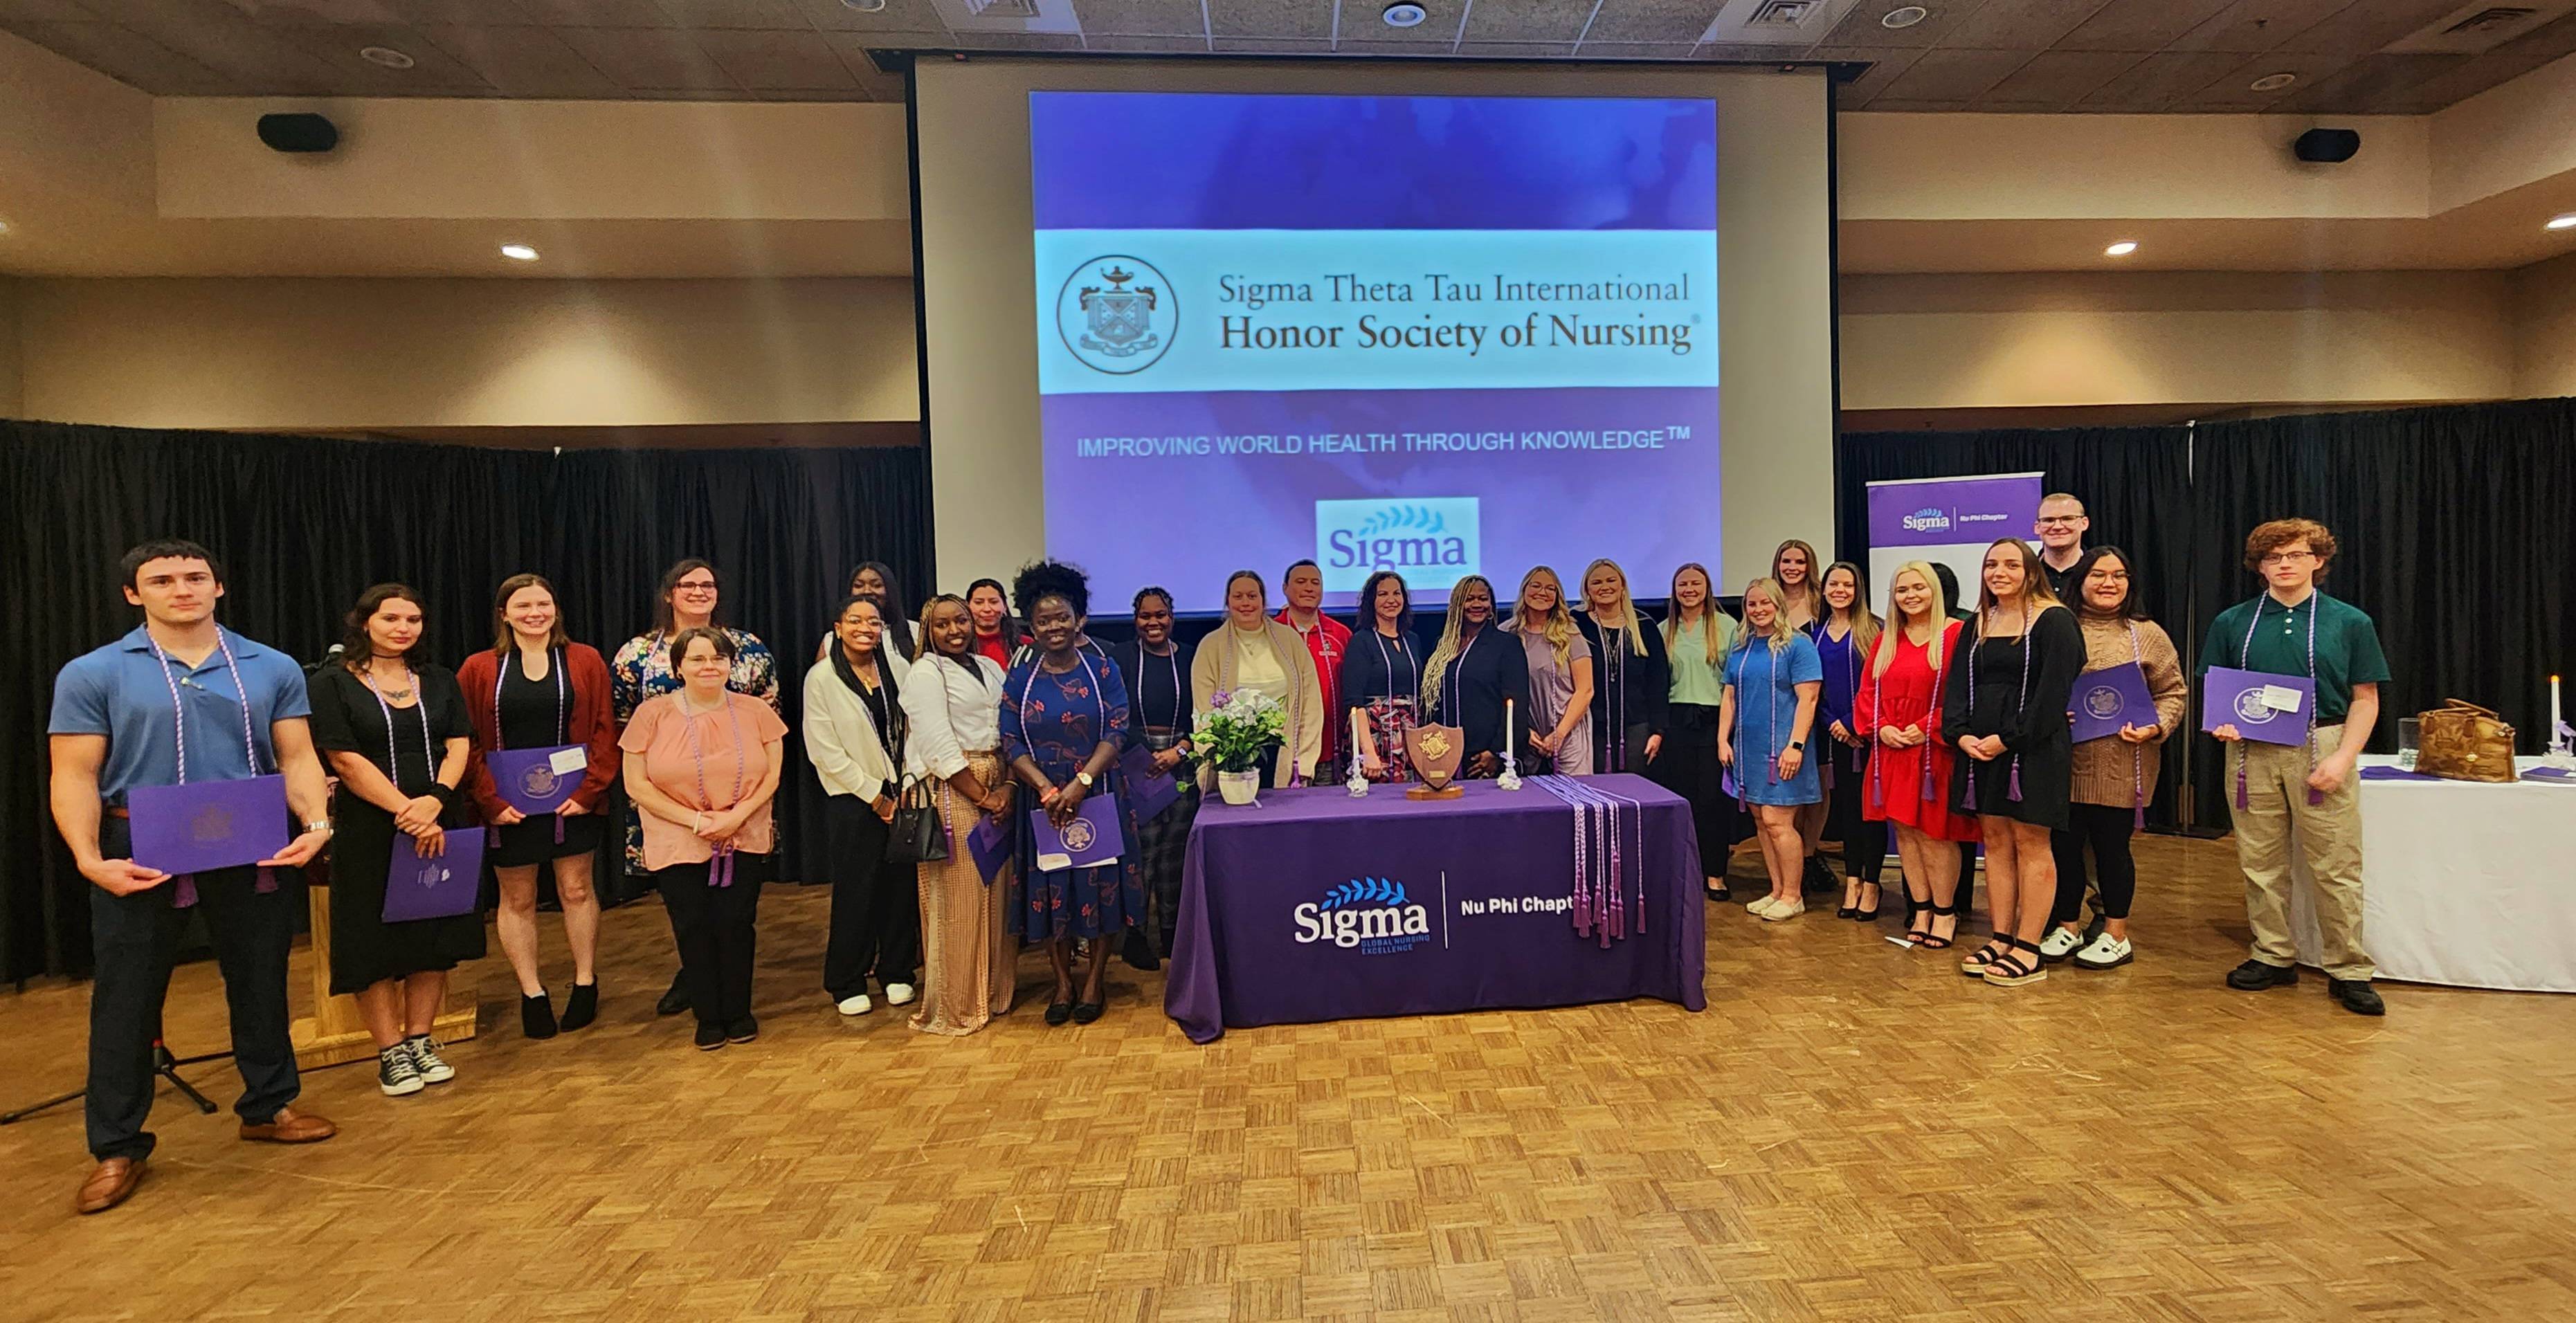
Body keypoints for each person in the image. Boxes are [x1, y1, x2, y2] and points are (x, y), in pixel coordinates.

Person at [48, 540, 338, 1215]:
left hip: (252, 838)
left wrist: (317, 824)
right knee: (127, 997)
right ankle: (117, 1146)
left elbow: (297, 756)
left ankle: (269, 1105)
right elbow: (74, 773)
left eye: (195, 577)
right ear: (134, 594)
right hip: (140, 843)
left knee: (260, 977)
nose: (182, 589)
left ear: (219, 587)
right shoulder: (92, 673)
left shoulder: (271, 665)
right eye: (162, 580)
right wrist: (88, 857)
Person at [2203, 518, 2389, 1016]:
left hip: (2323, 741)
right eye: (2273, 557)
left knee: (2336, 862)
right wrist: (2223, 724)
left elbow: (2366, 699)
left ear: (2318, 560)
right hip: (2251, 748)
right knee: (2259, 859)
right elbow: (2218, 691)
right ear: (2259, 566)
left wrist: (2343, 757)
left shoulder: (2349, 622)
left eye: (2296, 555)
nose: (2284, 564)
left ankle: (2349, 968)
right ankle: (2272, 953)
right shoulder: (2232, 622)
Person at [309, 584, 482, 1097]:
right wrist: (407, 810)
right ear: (365, 622)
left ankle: (421, 1040)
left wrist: (436, 800)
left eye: (413, 619)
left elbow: (459, 743)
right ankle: (390, 1052)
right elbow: (344, 759)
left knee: (432, 935)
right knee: (372, 941)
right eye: (391, 618)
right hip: (372, 827)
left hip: (439, 818)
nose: (403, 628)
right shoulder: (331, 683)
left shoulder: (439, 678)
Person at [610, 558, 781, 1018]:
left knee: (734, 916)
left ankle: (733, 1003)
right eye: (688, 584)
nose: (699, 591)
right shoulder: (636, 655)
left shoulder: (749, 648)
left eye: (708, 584)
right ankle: (700, 991)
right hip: (671, 808)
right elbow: (623, 722)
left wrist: (735, 813)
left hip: (741, 809)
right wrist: (692, 815)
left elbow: (769, 722)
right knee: (691, 915)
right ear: (670, 593)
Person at [457, 574, 620, 1041]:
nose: (535, 613)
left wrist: (589, 792)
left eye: (543, 604)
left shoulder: (584, 659)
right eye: (523, 606)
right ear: (504, 615)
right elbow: (466, 738)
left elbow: (605, 728)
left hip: (574, 800)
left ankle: (585, 981)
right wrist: (489, 801)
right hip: (507, 807)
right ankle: (532, 991)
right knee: (518, 898)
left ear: (556, 610)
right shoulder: (479, 668)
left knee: (577, 890)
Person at [1003, 561, 1147, 1025]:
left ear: (1079, 618)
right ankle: (1062, 983)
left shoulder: (1102, 667)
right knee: (1052, 890)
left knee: (1099, 887)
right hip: (1044, 799)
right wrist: (1046, 788)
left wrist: (1080, 783)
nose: (1054, 627)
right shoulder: (1021, 674)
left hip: (1097, 789)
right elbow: (1009, 738)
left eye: (1062, 617)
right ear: (1032, 625)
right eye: (1043, 620)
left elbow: (1118, 728)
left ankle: (1093, 982)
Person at [1944, 538, 2083, 989]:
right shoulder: (1977, 623)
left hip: (2032, 750)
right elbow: (1958, 686)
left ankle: (2029, 946)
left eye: (2010, 564)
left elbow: (2052, 696)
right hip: (1980, 749)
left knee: (2031, 842)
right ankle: (2001, 937)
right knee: (1996, 842)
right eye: (1991, 565)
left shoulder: (2055, 620)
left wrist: (2008, 739)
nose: (1999, 572)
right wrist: (1960, 733)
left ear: (2030, 571)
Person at [2042, 547, 2187, 971]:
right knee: (2064, 849)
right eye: (2099, 575)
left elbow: (2173, 692)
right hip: (2062, 761)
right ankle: (2067, 927)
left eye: (2119, 575)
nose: (2110, 583)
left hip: (2122, 763)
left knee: (2112, 851)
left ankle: (2115, 934)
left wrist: (2155, 726)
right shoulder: (2056, 625)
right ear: (2080, 580)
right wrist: (2051, 712)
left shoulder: (2147, 634)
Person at [902, 594, 1017, 1035]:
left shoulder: (990, 667)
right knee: (960, 897)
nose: (954, 631)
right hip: (954, 786)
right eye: (943, 624)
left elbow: (1010, 727)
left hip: (998, 777)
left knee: (996, 892)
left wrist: (1007, 785)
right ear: (928, 631)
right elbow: (936, 742)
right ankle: (957, 1005)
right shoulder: (925, 672)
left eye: (962, 621)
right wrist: (982, 795)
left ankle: (993, 994)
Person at [804, 594, 920, 1017]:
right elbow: (825, 750)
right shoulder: (821, 678)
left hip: (903, 792)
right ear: (838, 628)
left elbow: (915, 727)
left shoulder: (898, 668)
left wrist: (906, 782)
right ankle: (847, 980)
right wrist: (874, 796)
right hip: (853, 799)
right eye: (855, 621)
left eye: (873, 622)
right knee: (857, 891)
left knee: (900, 888)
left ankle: (897, 971)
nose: (865, 629)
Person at [1856, 561, 1980, 949]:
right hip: (1892, 750)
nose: (1910, 596)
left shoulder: (1957, 634)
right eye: (1902, 590)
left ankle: (1945, 913)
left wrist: (1929, 725)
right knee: (1906, 835)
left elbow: (1968, 694)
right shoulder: (1886, 639)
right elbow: (1867, 693)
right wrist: (1881, 727)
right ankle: (1922, 909)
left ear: (1935, 591)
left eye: (1918, 588)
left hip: (1933, 754)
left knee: (1935, 836)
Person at [1721, 578, 1823, 920]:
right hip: (1748, 750)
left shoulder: (1799, 645)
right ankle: (1777, 890)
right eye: (1752, 604)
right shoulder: (1742, 648)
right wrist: (1723, 740)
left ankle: (1793, 896)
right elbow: (1729, 697)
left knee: (1778, 822)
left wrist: (1796, 745)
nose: (1758, 609)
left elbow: (1809, 699)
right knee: (1762, 822)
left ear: (1778, 604)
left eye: (1765, 602)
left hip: (1783, 750)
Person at [1111, 587, 1197, 960]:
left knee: (1174, 853)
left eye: (1160, 615)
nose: (1153, 622)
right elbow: (1114, 710)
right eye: (1145, 616)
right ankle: (1135, 936)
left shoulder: (1191, 658)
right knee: (1141, 852)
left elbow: (1204, 712)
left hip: (1182, 759)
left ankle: (1171, 933)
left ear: (1172, 617)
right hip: (1136, 762)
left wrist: (1180, 751)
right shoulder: (1121, 658)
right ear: (1135, 620)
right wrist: (1145, 753)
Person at [1653, 563, 1741, 900]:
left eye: (1696, 584)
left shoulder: (1727, 626)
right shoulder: (1664, 630)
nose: (1689, 590)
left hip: (1714, 721)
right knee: (1682, 797)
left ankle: (1715, 873)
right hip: (1676, 722)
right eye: (1683, 584)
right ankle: (1686, 871)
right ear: (1674, 590)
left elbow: (1735, 682)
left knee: (1712, 800)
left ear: (1707, 588)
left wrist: (1727, 732)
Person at [1804, 562, 1886, 920]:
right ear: (1823, 589)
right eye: (1834, 584)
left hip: (1871, 736)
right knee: (1850, 811)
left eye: (1848, 585)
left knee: (1872, 813)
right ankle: (1853, 881)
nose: (1840, 591)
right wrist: (1834, 725)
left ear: (1858, 590)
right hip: (1837, 737)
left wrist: (1855, 724)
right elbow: (1813, 690)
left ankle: (1872, 883)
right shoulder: (1815, 635)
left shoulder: (1876, 630)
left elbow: (1881, 684)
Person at [1190, 569, 1325, 788]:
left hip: (1284, 754)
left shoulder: (1290, 639)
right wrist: (1213, 761)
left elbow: (1311, 705)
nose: (1246, 603)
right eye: (1238, 596)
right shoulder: (1210, 646)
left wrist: (1305, 762)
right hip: (1232, 759)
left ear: (1263, 601)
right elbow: (1203, 711)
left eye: (1252, 596)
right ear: (1228, 602)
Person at [1422, 575, 1532, 778]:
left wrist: (1496, 752)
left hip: (1484, 758)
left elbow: (1516, 704)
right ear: (1457, 605)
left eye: (1483, 599)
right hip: (1443, 754)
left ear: (1491, 606)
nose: (1477, 605)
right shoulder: (1442, 646)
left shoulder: (1507, 645)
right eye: (1469, 599)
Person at [1575, 558, 1669, 776]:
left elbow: (1658, 682)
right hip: (1591, 727)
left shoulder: (1645, 626)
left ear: (1623, 586)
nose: (1604, 587)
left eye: (1611, 580)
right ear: (1587, 590)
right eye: (1597, 582)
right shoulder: (1576, 625)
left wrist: (1658, 731)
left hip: (1637, 727)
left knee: (1634, 788)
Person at [1511, 566, 1597, 775]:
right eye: (1536, 586)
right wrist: (1522, 731)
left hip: (1568, 734)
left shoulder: (1570, 633)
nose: (1543, 592)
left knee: (1574, 794)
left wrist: (1559, 734)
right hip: (1525, 738)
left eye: (1550, 588)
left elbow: (1585, 690)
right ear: (1524, 590)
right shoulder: (1507, 633)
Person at [1339, 569, 1422, 783]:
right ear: (1371, 601)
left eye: (1397, 593)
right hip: (1376, 737)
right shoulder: (1361, 641)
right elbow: (1354, 703)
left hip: (1409, 733)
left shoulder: (1412, 640)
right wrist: (1368, 752)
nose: (1391, 600)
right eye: (1383, 594)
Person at [1277, 558, 1352, 772]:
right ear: (1285, 588)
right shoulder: (1272, 633)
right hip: (1282, 752)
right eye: (1301, 582)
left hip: (1329, 751)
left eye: (1315, 583)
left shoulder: (1340, 634)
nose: (1309, 588)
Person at [817, 561, 916, 665]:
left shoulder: (914, 631)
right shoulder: (831, 639)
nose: (867, 591)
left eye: (877, 585)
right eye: (859, 585)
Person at [2034, 493, 2091, 601]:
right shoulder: (2026, 574)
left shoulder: (2097, 571)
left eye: (2067, 519)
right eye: (2049, 520)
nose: (2057, 527)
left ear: (2084, 524)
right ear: (2037, 527)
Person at [965, 577, 1026, 670]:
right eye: (979, 603)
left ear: (1005, 607)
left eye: (994, 602)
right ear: (967, 607)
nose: (987, 609)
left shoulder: (1025, 644)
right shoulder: (960, 646)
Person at [1772, 539, 1825, 632]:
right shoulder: (1768, 600)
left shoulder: (1823, 601)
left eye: (1800, 562)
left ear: (1810, 566)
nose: (1792, 568)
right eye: (1786, 561)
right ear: (1778, 564)